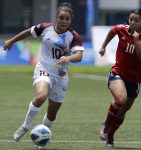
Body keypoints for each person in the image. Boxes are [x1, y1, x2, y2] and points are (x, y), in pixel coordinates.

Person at [3, 2, 84, 149]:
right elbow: (28, 32)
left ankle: (43, 140)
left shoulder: (74, 36)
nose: (64, 21)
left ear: (70, 20)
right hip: (44, 69)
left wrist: (69, 58)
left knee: (52, 112)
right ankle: (25, 126)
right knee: (41, 96)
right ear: (56, 18)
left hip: (61, 76)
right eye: (61, 18)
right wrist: (11, 41)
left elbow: (79, 56)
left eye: (67, 19)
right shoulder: (45, 28)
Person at [99, 9, 141, 148]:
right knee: (121, 99)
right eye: (131, 19)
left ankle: (110, 135)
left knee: (123, 110)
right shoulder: (121, 29)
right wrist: (103, 46)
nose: (132, 22)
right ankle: (105, 126)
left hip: (135, 79)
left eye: (136, 20)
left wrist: (136, 42)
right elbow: (112, 31)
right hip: (118, 73)